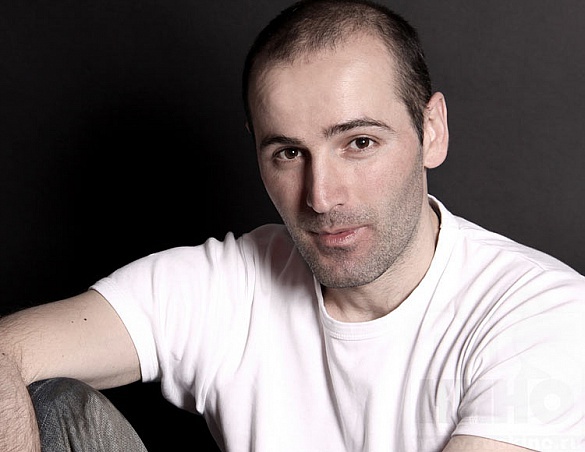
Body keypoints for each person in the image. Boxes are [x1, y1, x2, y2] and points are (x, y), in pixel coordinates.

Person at [1, 0, 584, 450]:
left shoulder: (543, 313)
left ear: (431, 130)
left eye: (359, 143)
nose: (322, 197)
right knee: (54, 406)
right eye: (288, 153)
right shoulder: (230, 284)